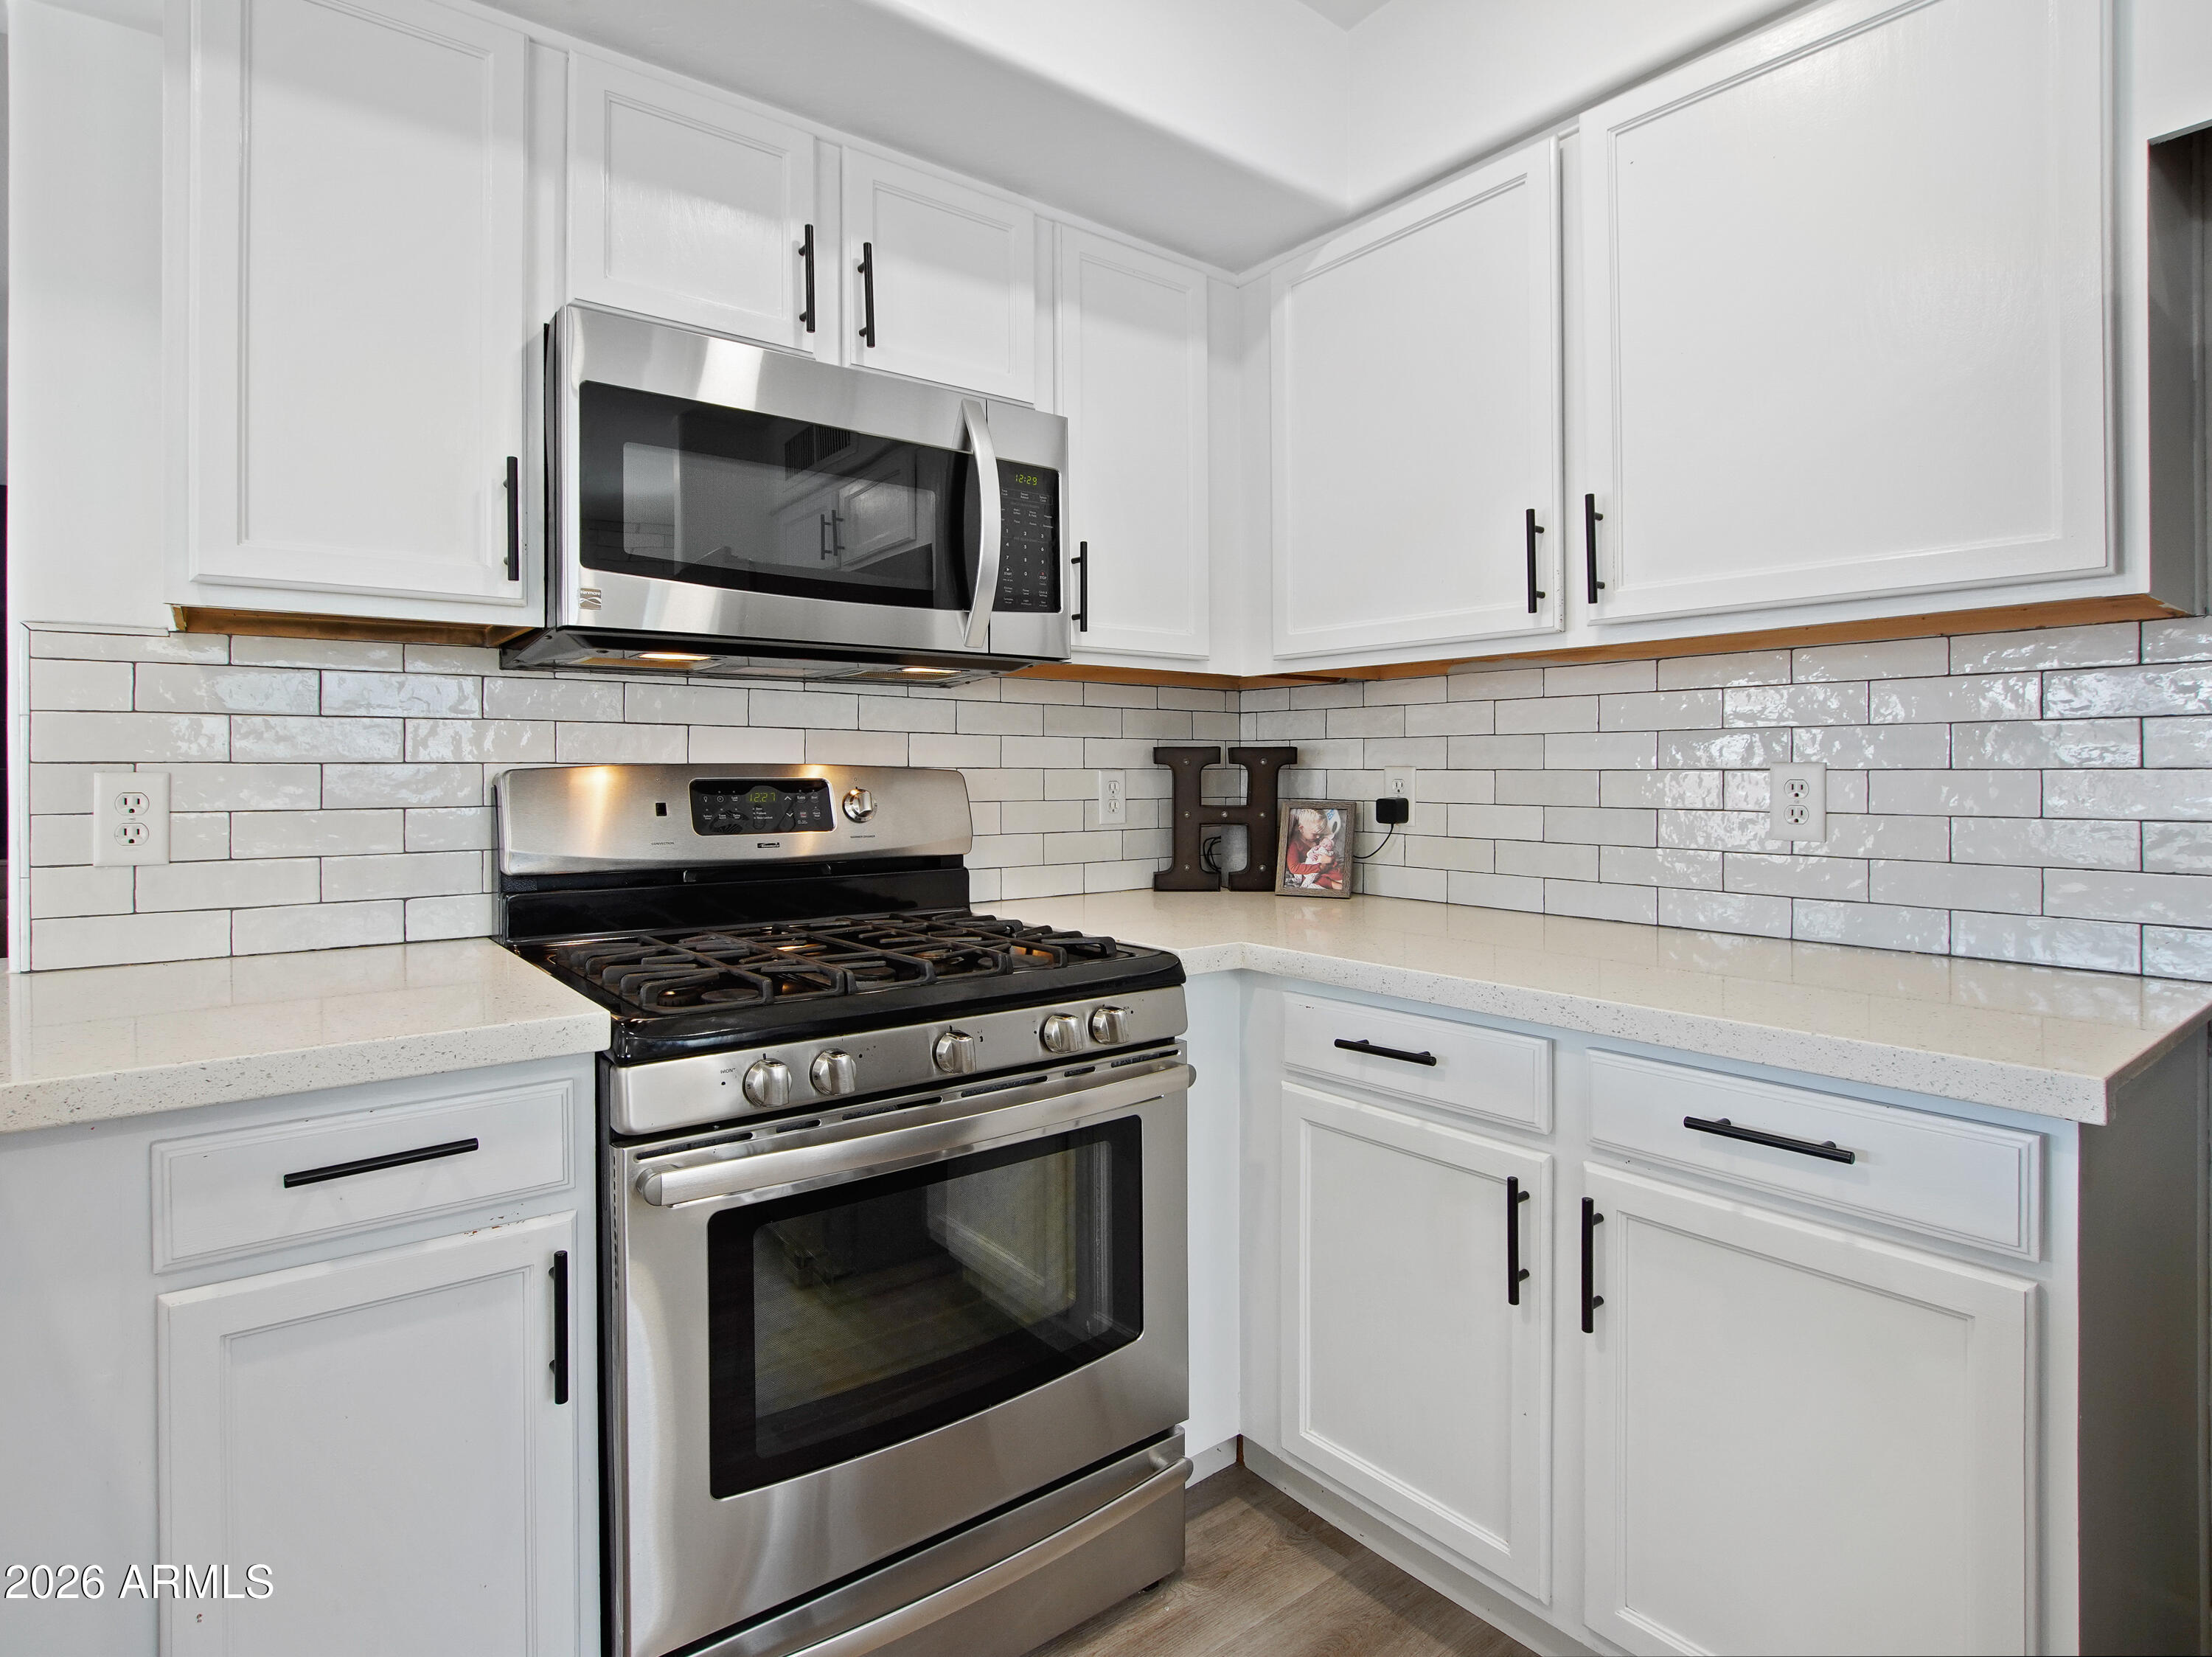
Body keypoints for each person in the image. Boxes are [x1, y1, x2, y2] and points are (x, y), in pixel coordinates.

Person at [1282, 807, 1346, 893]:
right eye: (1315, 834)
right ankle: (1338, 887)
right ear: (1301, 829)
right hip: (1310, 873)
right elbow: (1294, 868)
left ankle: (1344, 887)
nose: (1318, 837)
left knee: (1337, 873)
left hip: (1325, 868)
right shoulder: (1295, 844)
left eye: (1320, 834)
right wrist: (1319, 868)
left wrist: (1330, 860)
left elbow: (1330, 852)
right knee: (1321, 880)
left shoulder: (1318, 840)